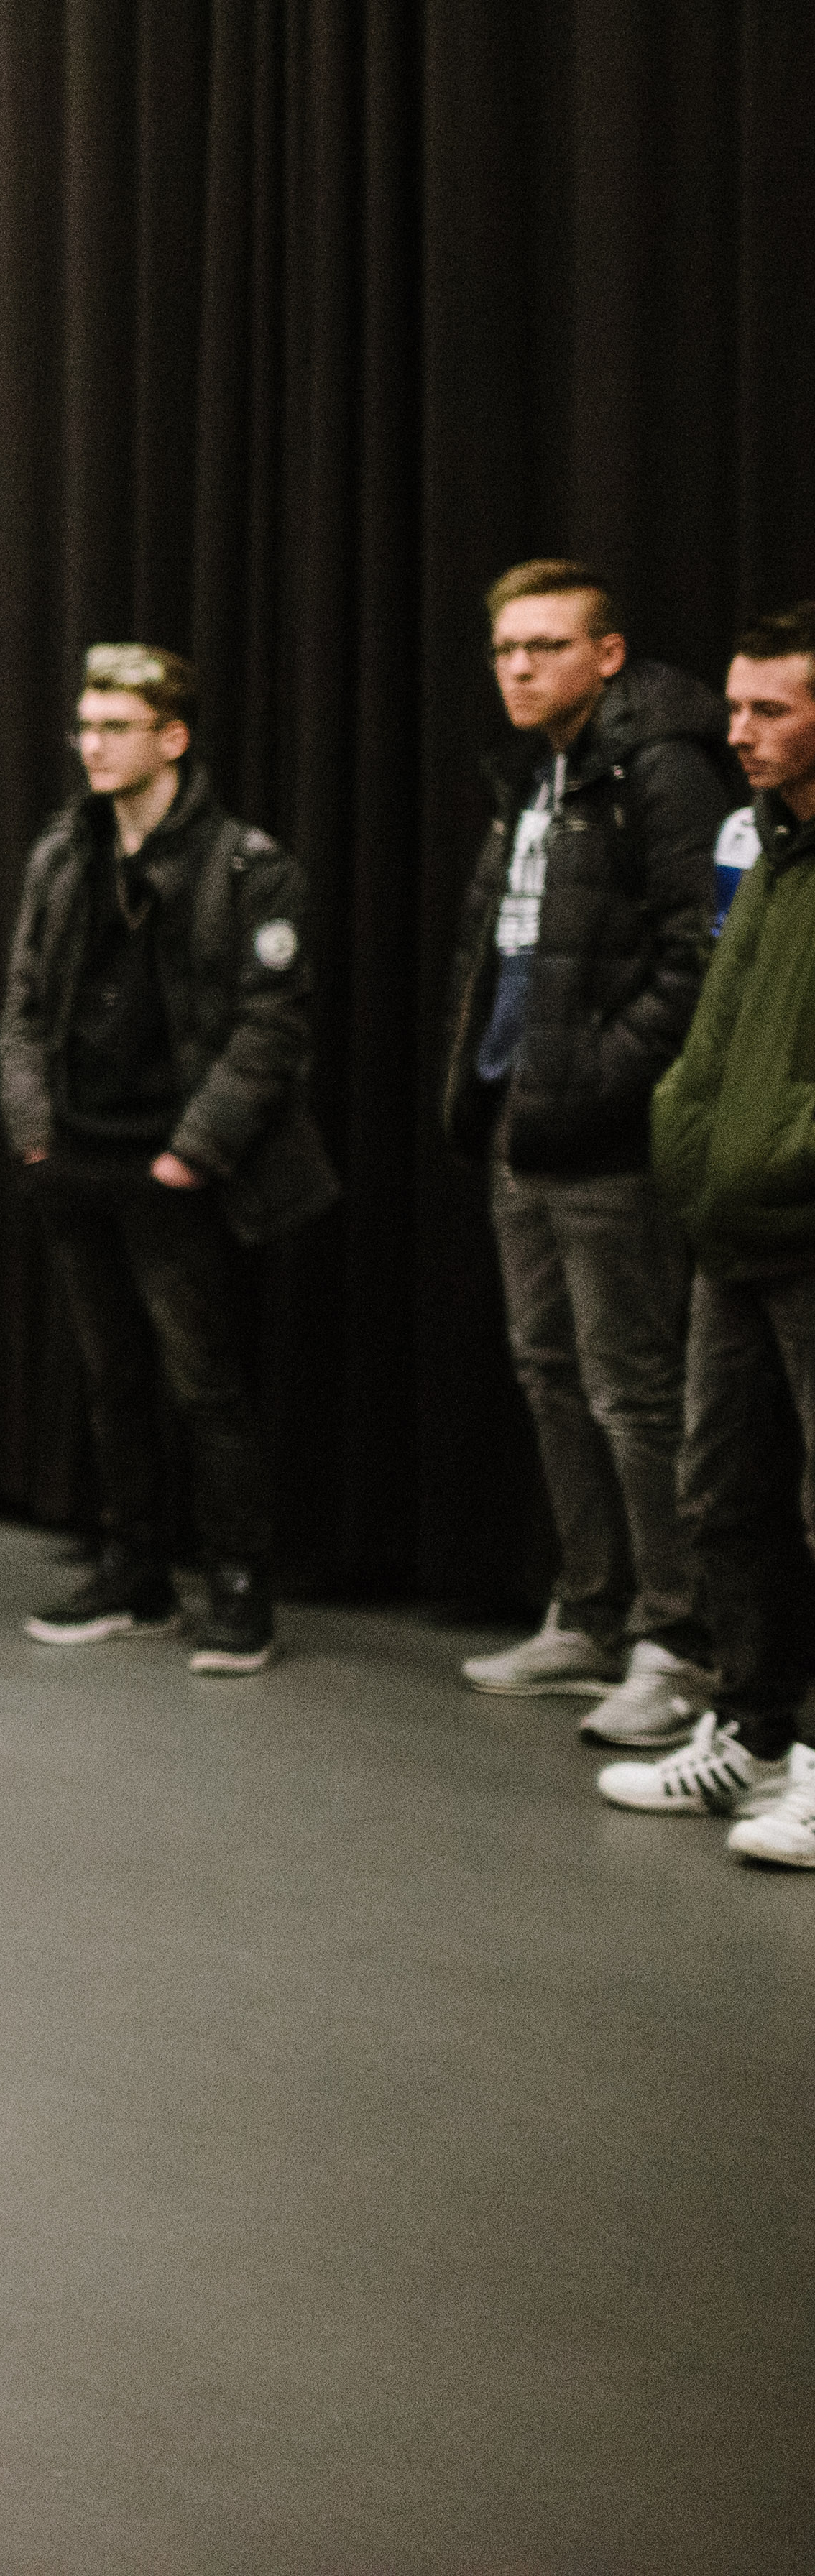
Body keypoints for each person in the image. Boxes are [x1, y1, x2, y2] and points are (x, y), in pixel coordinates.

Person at [435, 563, 735, 1742]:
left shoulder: (661, 767)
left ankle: (680, 1641)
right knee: (550, 1372)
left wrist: (598, 1080)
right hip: (522, 1120)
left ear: (607, 655)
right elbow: (500, 947)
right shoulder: (535, 771)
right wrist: (493, 1086)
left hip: (608, 1138)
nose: (519, 668)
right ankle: (592, 1612)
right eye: (506, 648)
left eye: (546, 646)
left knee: (634, 1388)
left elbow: (698, 953)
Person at [0, 641, 337, 1675]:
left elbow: (275, 1026)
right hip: (79, 1156)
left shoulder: (246, 866)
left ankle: (239, 1583)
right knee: (110, 1378)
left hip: (176, 1166)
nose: (92, 745)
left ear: (173, 738)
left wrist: (194, 1151)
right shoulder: (63, 855)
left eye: (116, 727)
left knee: (205, 1380)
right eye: (85, 726)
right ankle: (134, 1571)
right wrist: (34, 1130)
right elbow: (23, 1004)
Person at [618, 602, 815, 1865]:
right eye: (735, 706)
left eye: (769, 710)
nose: (736, 731)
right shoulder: (772, 847)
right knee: (723, 1488)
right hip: (732, 1229)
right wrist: (691, 1134)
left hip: (804, 1220)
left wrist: (784, 1155)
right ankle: (752, 1731)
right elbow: (721, 1031)